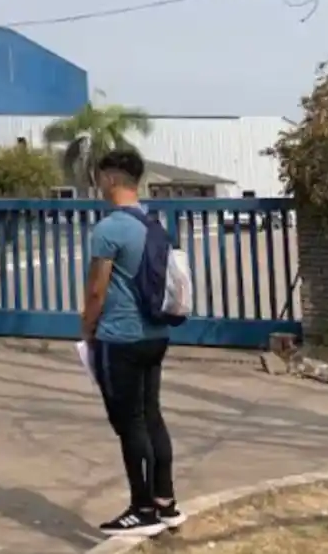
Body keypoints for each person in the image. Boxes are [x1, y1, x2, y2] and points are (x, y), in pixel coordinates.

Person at [81, 149, 186, 538]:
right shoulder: (153, 224)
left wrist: (87, 328)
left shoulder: (109, 229)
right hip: (156, 336)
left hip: (119, 338)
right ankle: (166, 502)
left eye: (99, 177)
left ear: (110, 179)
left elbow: (96, 289)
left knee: (130, 424)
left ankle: (141, 508)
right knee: (151, 415)